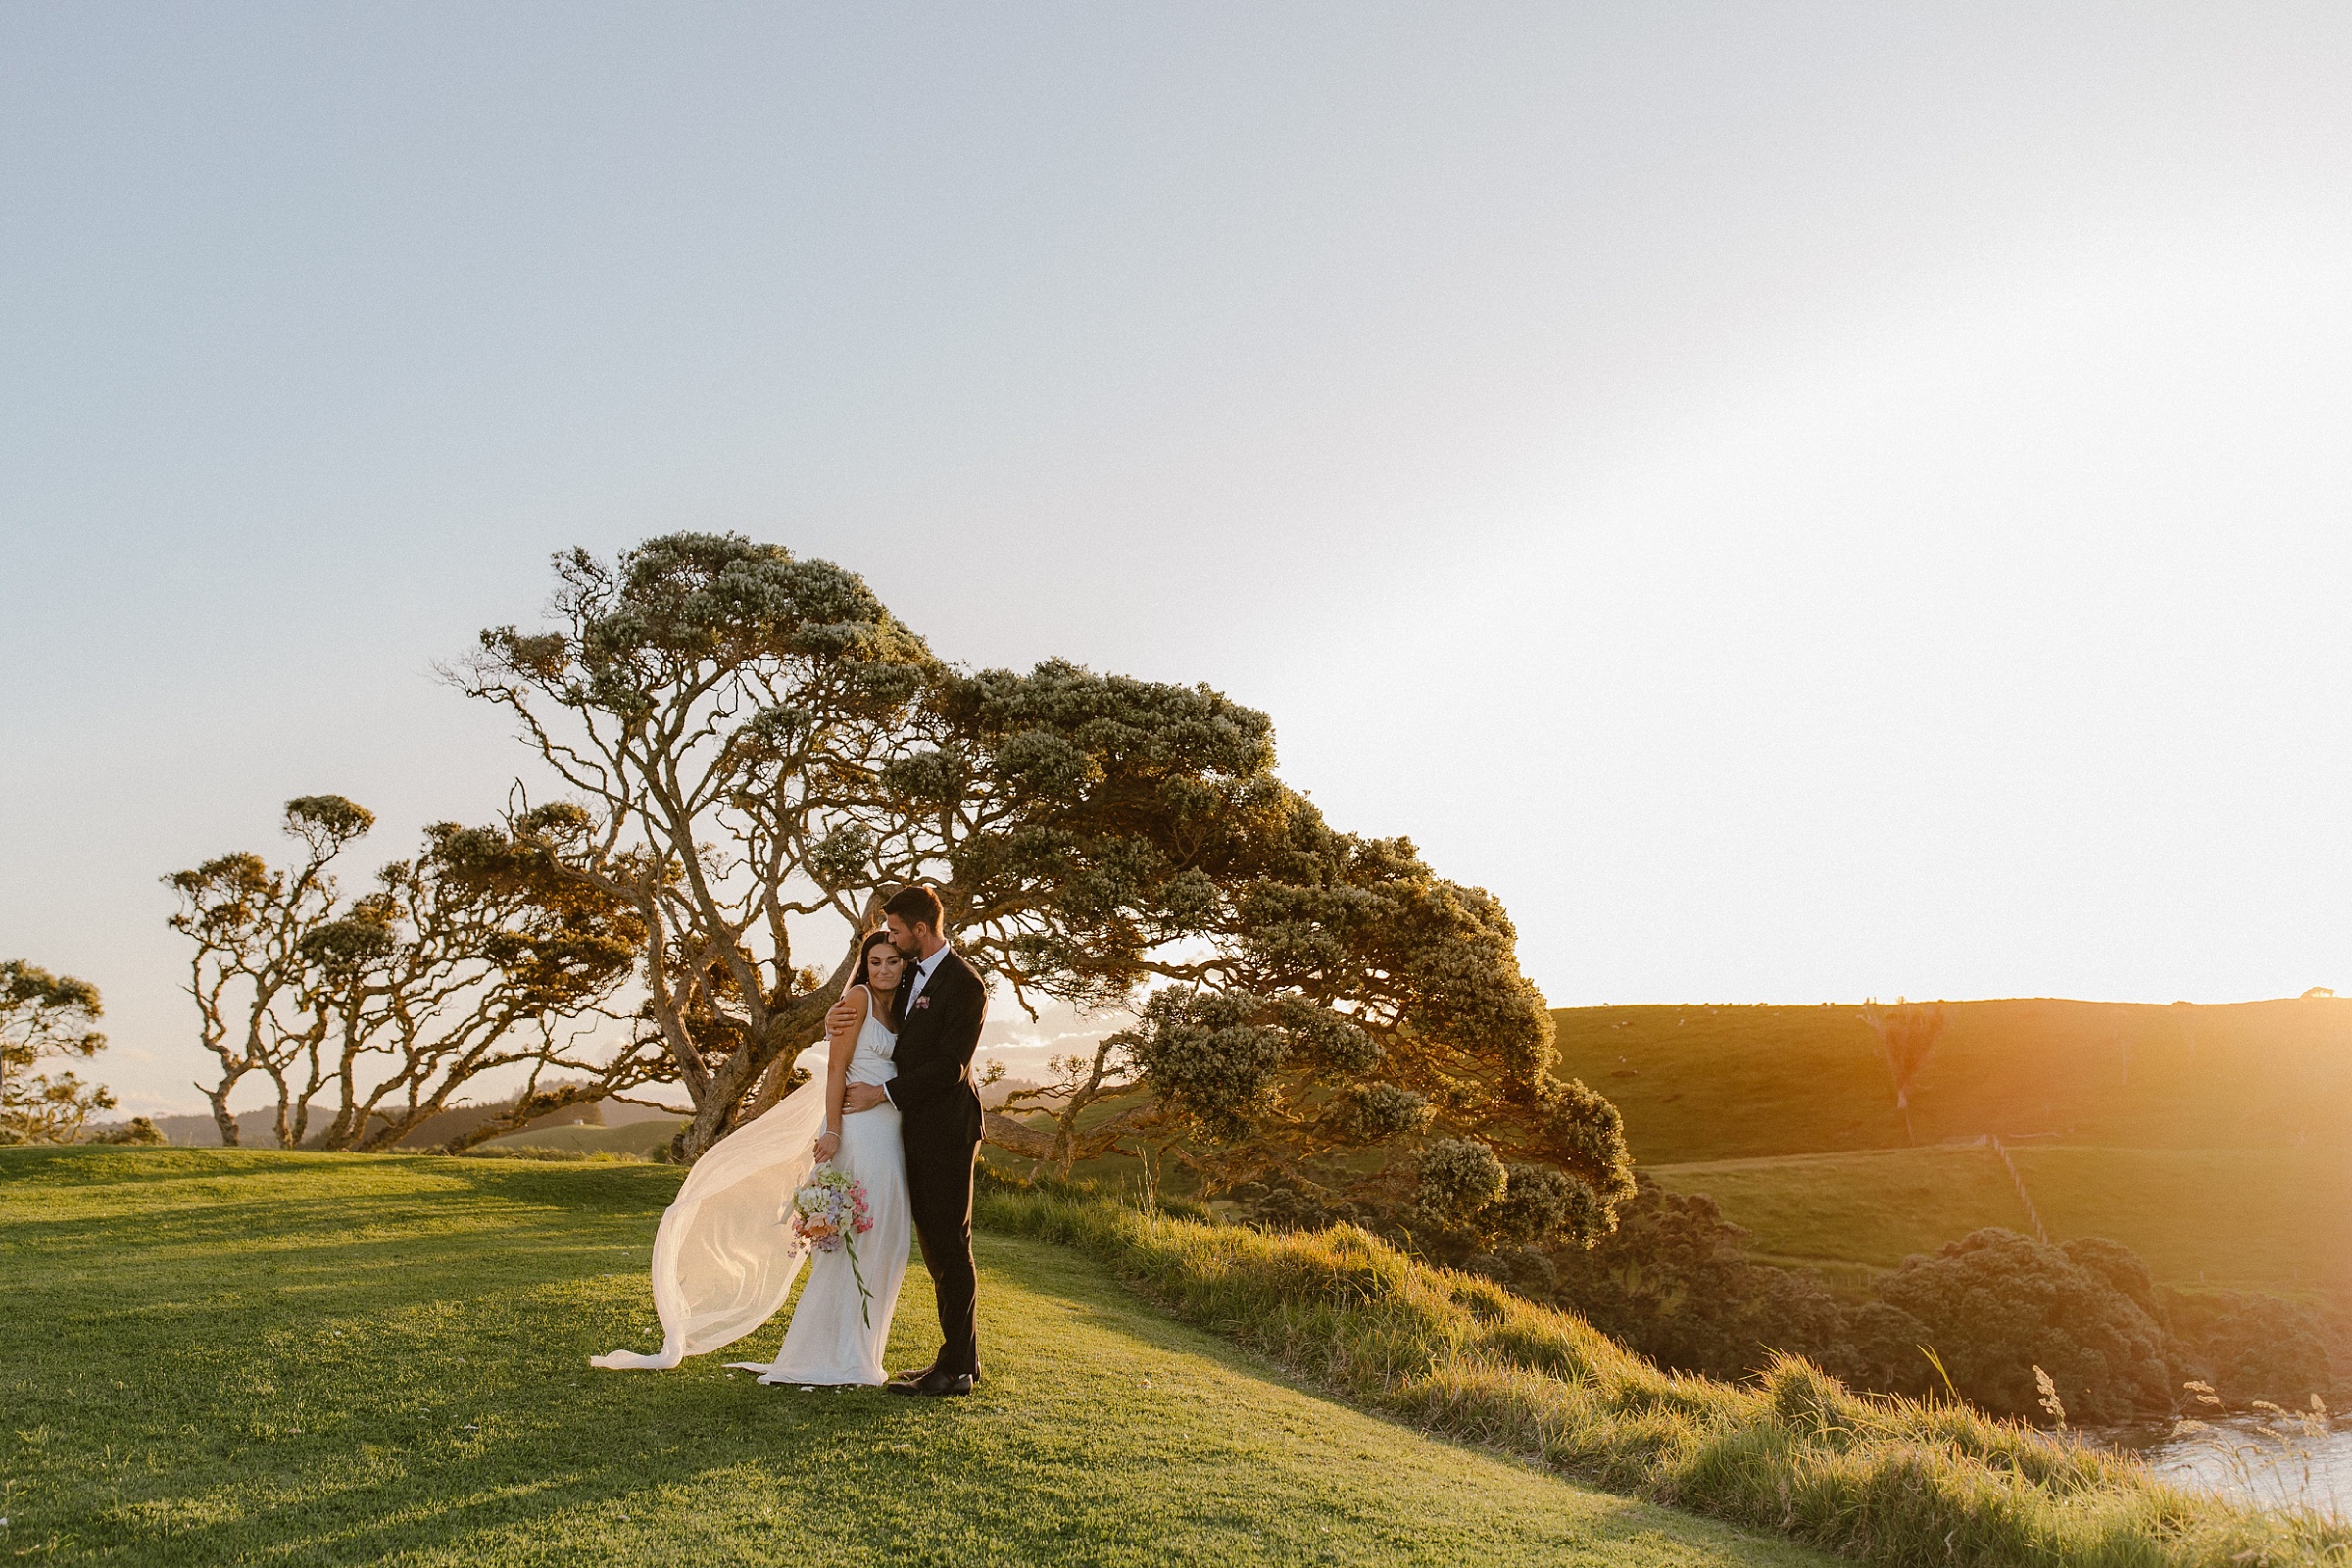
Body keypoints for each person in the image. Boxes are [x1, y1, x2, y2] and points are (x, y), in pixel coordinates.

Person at [729, 927, 913, 1385]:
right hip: (858, 1131)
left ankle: (860, 1349)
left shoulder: (906, 1008)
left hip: (893, 1132)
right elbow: (835, 1068)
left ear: (905, 964)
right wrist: (832, 1129)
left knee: (884, 1240)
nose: (883, 970)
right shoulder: (858, 1000)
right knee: (856, 1240)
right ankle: (831, 1353)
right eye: (875, 962)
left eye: (892, 961)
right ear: (864, 965)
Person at [833, 883, 987, 1396]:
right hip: (911, 1132)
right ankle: (960, 1359)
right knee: (938, 1249)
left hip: (947, 1132)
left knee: (950, 1248)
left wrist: (883, 1092)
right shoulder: (909, 975)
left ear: (921, 929)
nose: (891, 940)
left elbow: (951, 1066)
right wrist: (837, 1016)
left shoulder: (965, 985)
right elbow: (871, 1003)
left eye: (897, 930)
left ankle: (958, 1370)